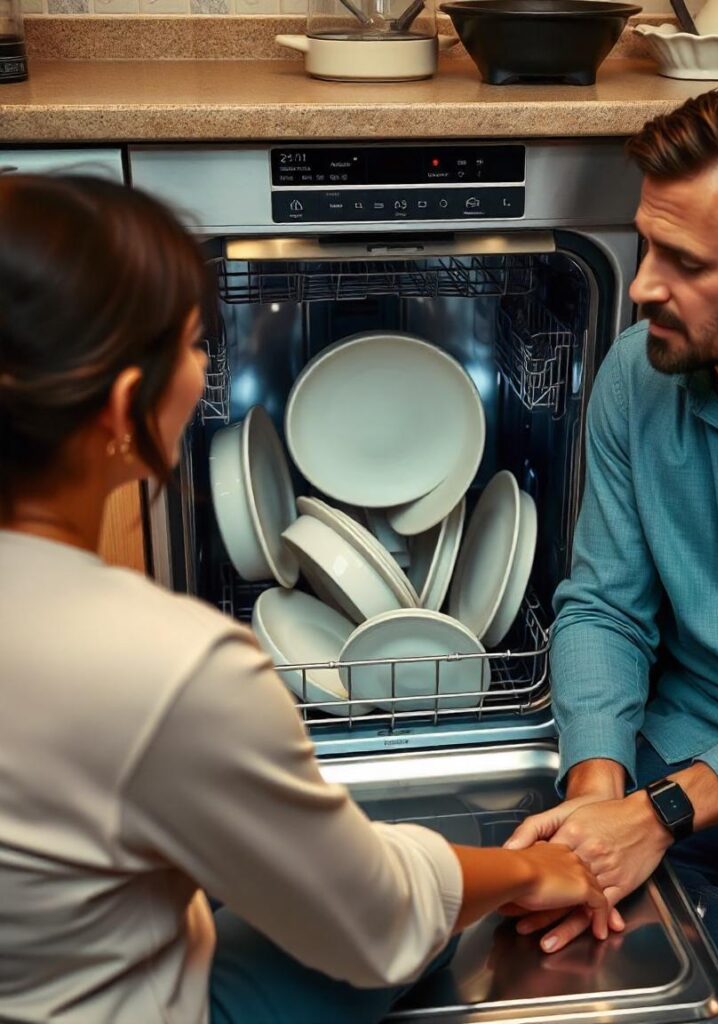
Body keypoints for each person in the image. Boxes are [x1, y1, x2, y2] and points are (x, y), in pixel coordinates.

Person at [0, 173, 610, 1024]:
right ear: (120, 408)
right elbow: (375, 921)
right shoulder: (168, 663)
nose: (206, 369)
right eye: (190, 344)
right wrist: (536, 870)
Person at [505, 76, 718, 1022]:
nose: (640, 288)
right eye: (642, 244)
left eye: (688, 262)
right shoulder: (639, 373)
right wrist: (599, 792)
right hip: (671, 775)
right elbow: (604, 604)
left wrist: (656, 815)